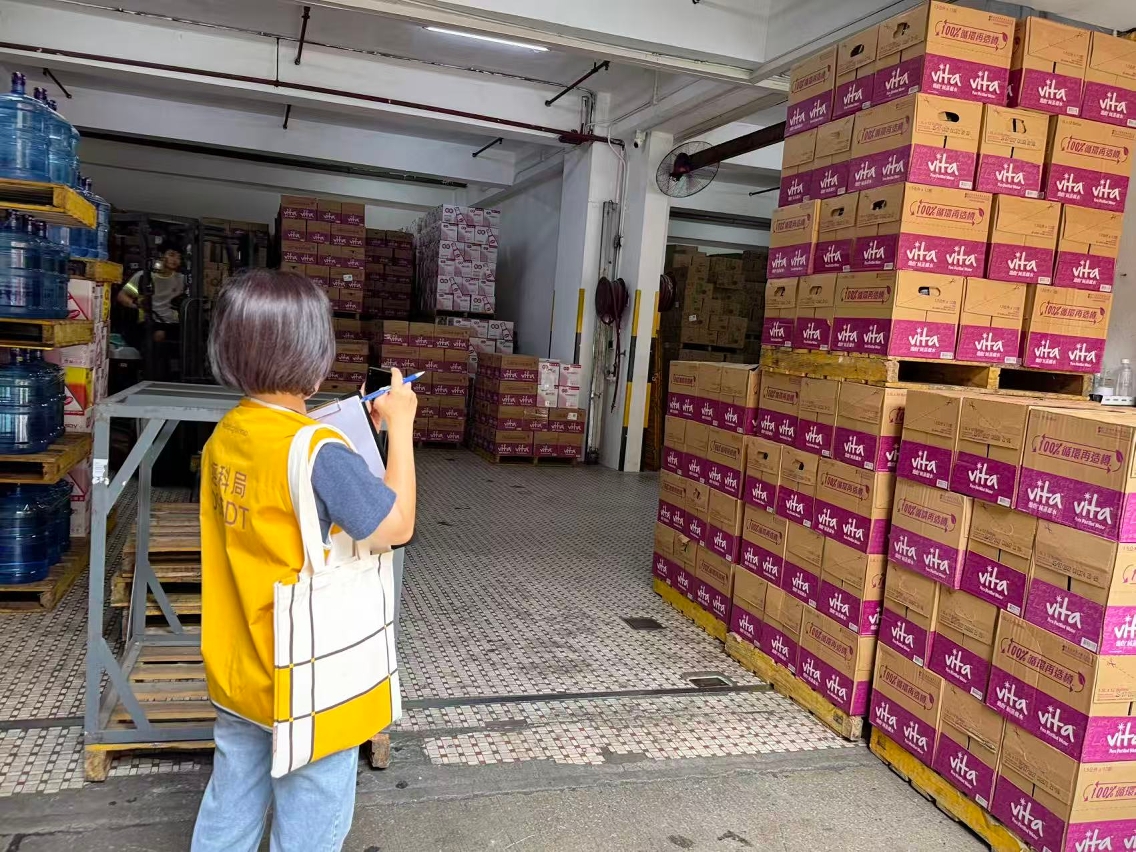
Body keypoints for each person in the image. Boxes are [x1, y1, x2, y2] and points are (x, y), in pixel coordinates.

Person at [191, 269, 417, 852]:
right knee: (310, 818)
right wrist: (402, 428)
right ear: (314, 359)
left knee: (231, 801)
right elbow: (397, 526)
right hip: (308, 679)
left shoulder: (227, 434)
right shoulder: (320, 451)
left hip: (240, 668)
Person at [117, 248, 186, 343]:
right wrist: (136, 304)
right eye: (171, 255)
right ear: (161, 255)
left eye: (179, 257)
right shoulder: (144, 277)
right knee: (159, 335)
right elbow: (122, 296)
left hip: (174, 323)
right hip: (149, 321)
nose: (175, 260)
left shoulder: (182, 280)